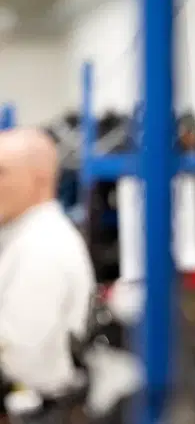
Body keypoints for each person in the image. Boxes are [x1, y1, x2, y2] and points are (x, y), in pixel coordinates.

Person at [0, 129, 96, 400]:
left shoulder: (43, 246)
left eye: (1, 173)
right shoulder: (23, 237)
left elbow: (18, 358)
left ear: (39, 178)